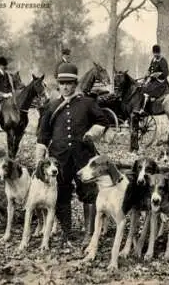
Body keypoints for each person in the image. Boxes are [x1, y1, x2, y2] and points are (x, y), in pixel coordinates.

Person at [36, 62, 108, 249]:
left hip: (83, 157)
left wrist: (92, 133)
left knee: (89, 194)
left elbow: (102, 121)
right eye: (62, 83)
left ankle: (89, 233)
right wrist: (39, 156)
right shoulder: (52, 106)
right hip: (59, 160)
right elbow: (43, 133)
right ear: (58, 84)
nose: (66, 87)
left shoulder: (87, 103)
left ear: (75, 84)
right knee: (61, 193)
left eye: (69, 83)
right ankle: (66, 232)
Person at [137, 44, 169, 114]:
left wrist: (156, 75)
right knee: (142, 88)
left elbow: (166, 73)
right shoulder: (153, 60)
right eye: (154, 53)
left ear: (159, 53)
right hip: (153, 81)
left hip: (160, 83)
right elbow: (150, 69)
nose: (155, 55)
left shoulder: (163, 60)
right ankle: (140, 106)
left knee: (147, 91)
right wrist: (147, 74)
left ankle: (144, 109)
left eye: (157, 53)